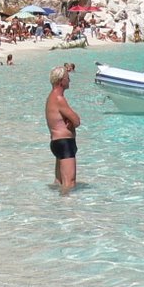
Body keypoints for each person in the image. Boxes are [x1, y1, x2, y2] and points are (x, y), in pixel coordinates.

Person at [45, 65, 82, 195]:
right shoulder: (59, 99)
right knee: (69, 184)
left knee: (59, 182)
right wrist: (72, 121)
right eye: (67, 77)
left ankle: (57, 210)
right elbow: (76, 121)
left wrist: (70, 121)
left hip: (57, 142)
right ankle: (67, 212)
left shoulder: (50, 98)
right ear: (61, 81)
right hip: (65, 143)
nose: (69, 80)